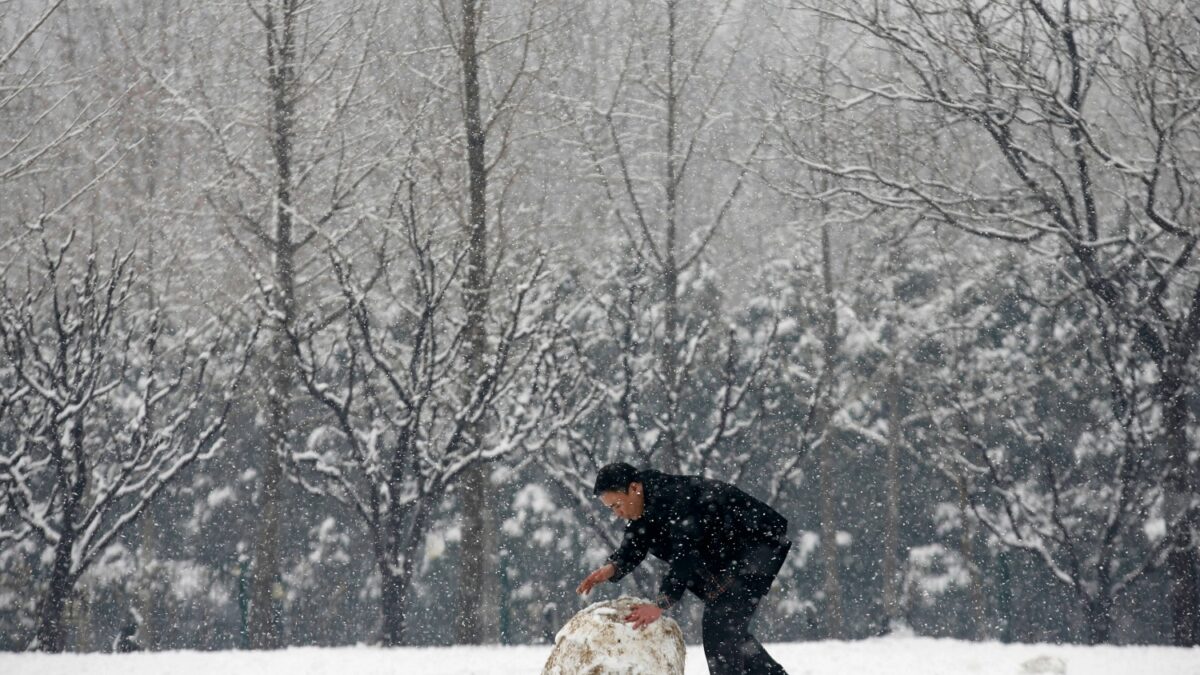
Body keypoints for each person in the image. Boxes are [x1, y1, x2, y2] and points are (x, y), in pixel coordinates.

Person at [576, 462, 791, 675]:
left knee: (720, 631)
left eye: (617, 505)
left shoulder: (674, 498)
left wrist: (661, 603)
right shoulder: (646, 505)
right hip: (729, 557)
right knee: (729, 633)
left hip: (756, 543)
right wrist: (613, 567)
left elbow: (685, 554)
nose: (617, 513)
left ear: (634, 488)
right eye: (611, 508)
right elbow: (636, 542)